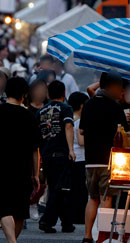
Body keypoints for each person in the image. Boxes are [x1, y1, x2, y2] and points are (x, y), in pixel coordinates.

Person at [0, 77, 41, 243]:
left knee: (4, 208)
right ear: (24, 94)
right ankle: (13, 241)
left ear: (6, 92)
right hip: (24, 168)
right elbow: (35, 149)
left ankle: (11, 241)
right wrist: (36, 174)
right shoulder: (29, 116)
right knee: (20, 211)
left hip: (1, 167)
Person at [79, 71, 129, 243]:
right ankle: (102, 237)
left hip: (90, 161)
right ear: (112, 87)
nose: (121, 92)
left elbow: (81, 131)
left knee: (92, 198)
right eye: (120, 88)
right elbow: (125, 134)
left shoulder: (89, 104)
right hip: (109, 160)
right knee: (106, 198)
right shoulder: (115, 107)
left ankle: (87, 235)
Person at [37, 81, 76, 233]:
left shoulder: (41, 111)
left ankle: (67, 223)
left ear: (48, 94)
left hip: (46, 155)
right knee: (61, 189)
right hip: (61, 154)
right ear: (64, 93)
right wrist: (71, 149)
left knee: (57, 188)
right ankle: (46, 220)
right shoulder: (66, 108)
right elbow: (68, 126)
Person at [68, 91, 90, 225]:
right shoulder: (80, 121)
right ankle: (79, 216)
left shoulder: (70, 118)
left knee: (75, 188)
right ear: (82, 106)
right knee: (80, 189)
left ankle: (74, 215)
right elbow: (82, 141)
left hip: (74, 156)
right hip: (80, 157)